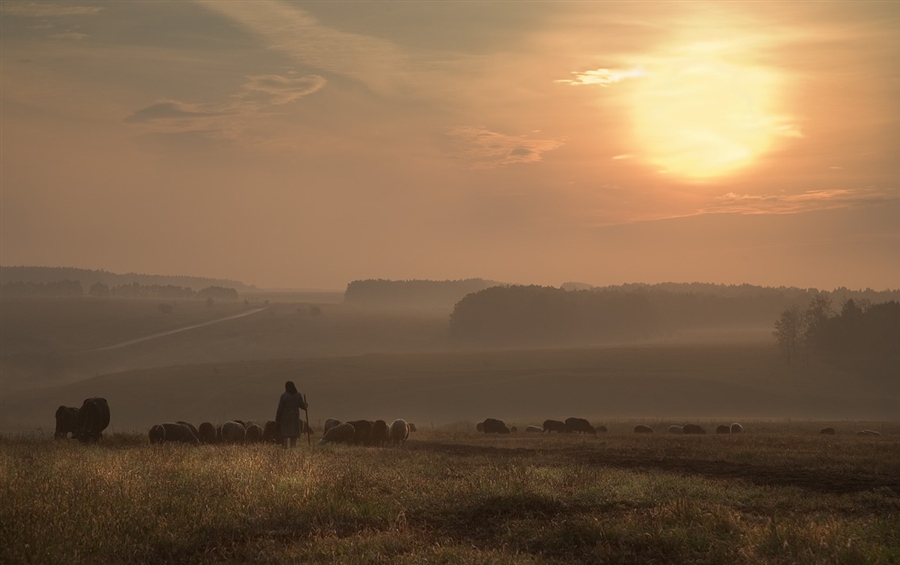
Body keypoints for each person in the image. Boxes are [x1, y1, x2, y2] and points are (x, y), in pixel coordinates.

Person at [275, 380, 308, 449]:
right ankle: (293, 447)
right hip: (295, 416)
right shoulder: (298, 395)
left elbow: (280, 408)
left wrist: (277, 418)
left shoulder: (284, 396)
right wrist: (305, 405)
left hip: (285, 416)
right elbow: (302, 405)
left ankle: (285, 447)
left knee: (285, 433)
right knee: (294, 432)